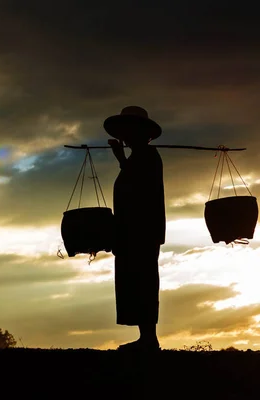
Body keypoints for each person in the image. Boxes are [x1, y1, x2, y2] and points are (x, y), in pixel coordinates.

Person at [105, 106, 166, 352]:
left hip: (143, 232)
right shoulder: (138, 157)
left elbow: (140, 188)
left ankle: (149, 339)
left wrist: (120, 158)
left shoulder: (149, 156)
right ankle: (146, 338)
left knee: (144, 282)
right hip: (131, 232)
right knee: (136, 282)